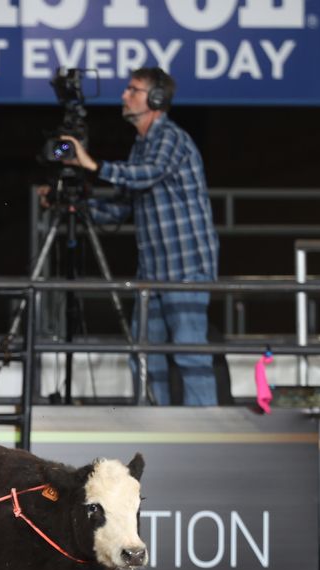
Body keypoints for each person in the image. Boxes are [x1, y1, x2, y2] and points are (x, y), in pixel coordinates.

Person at [58, 67, 220, 406]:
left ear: (156, 100)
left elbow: (146, 174)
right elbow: (120, 208)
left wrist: (95, 166)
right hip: (154, 273)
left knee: (191, 357)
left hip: (186, 269)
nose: (124, 95)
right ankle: (153, 429)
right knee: (143, 356)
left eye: (133, 90)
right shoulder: (141, 146)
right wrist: (73, 204)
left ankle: (207, 437)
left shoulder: (170, 138)